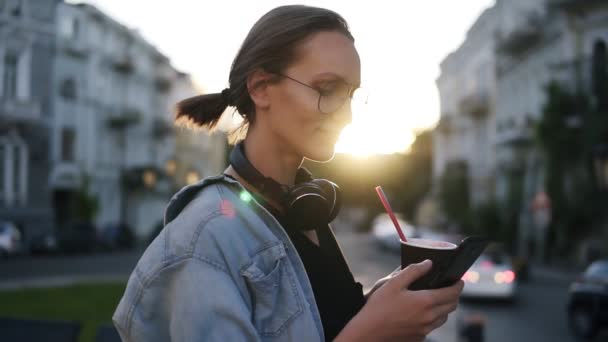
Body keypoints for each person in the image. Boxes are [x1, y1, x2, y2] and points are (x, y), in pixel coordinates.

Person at [113, 5, 463, 342]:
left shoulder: (305, 209)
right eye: (328, 90)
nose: (348, 116)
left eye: (352, 95)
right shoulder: (204, 240)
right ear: (261, 87)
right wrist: (371, 333)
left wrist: (381, 309)